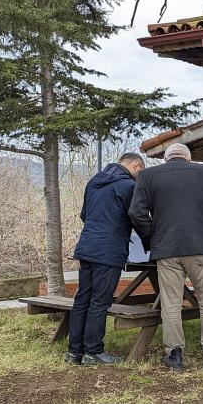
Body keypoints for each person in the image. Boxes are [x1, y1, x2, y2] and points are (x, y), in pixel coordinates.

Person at [129, 143, 203, 372]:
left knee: (171, 303)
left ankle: (174, 355)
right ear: (188, 158)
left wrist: (152, 237)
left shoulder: (147, 176)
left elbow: (136, 213)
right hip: (201, 246)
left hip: (167, 248)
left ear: (166, 159)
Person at [66, 153, 145, 366]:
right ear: (136, 165)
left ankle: (74, 352)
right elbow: (137, 216)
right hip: (109, 250)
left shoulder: (95, 181)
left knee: (83, 298)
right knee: (100, 300)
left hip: (87, 245)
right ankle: (94, 351)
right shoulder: (128, 186)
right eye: (141, 172)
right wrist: (150, 239)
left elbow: (85, 214)